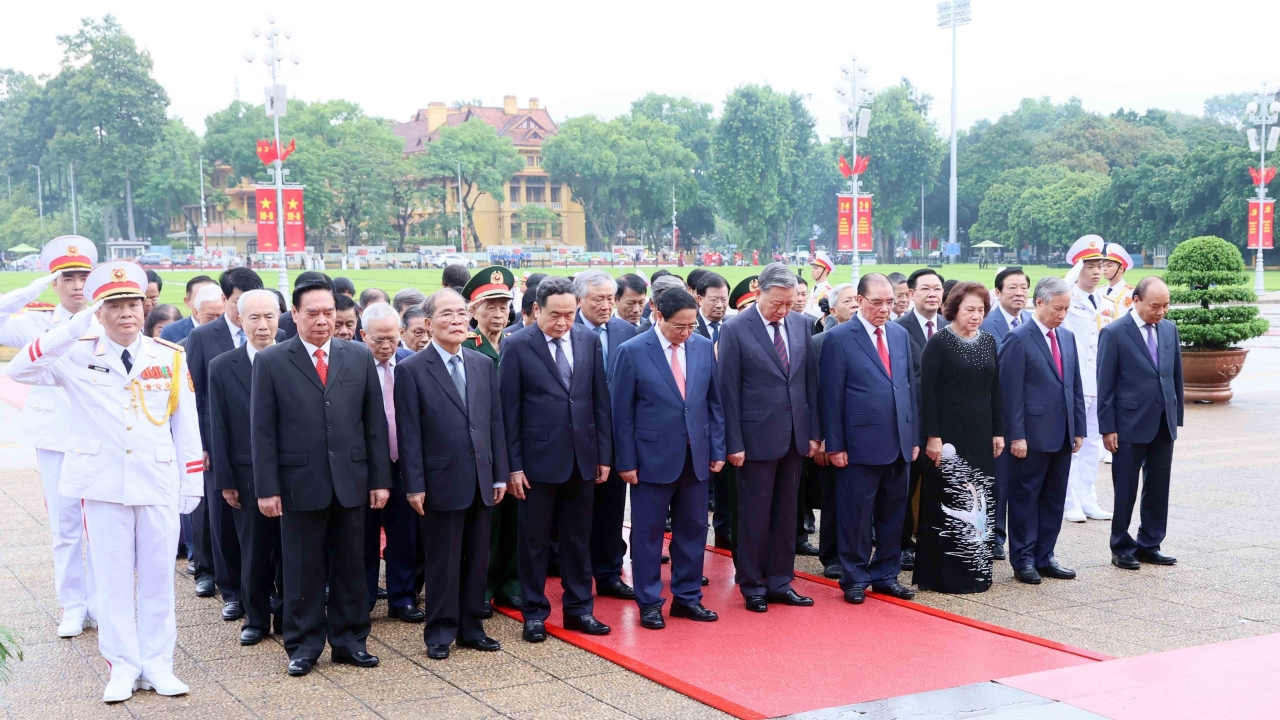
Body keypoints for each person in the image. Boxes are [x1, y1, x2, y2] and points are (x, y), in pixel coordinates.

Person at [9, 261, 204, 703]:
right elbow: (20, 371)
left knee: (158, 579)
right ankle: (122, 666)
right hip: (102, 485)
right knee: (113, 580)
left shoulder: (169, 356)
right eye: (113, 305)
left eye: (132, 303)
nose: (126, 313)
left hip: (155, 479)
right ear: (99, 311)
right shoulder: (77, 353)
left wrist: (190, 481)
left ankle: (158, 664)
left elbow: (186, 424)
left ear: (144, 306)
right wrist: (68, 329)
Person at [250, 276, 393, 676]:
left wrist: (380, 479)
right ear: (293, 314)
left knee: (352, 566)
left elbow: (373, 424)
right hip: (299, 483)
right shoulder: (273, 361)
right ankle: (303, 645)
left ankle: (350, 641)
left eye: (328, 312)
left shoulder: (358, 356)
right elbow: (262, 430)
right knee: (302, 569)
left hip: (351, 480)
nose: (322, 320)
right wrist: (268, 488)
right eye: (312, 312)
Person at [396, 289, 508, 658]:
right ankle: (440, 632)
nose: (458, 320)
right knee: (443, 560)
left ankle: (472, 628)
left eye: (462, 313)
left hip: (480, 477)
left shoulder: (481, 364)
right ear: (428, 324)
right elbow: (409, 432)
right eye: (448, 314)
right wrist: (414, 484)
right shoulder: (412, 369)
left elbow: (495, 424)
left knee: (478, 558)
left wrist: (499, 474)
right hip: (439, 479)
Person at [500, 276, 613, 642]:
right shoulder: (517, 345)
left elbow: (599, 403)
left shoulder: (588, 340)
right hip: (537, 462)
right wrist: (513, 466)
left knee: (578, 539)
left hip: (582, 458)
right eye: (555, 315)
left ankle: (580, 609)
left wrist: (603, 455)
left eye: (569, 314)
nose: (563, 323)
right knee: (533, 541)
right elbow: (509, 411)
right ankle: (534, 612)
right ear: (536, 310)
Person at [0, 236, 100, 638]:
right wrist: (27, 291)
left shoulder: (107, 318)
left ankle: (100, 602)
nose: (77, 285)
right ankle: (73, 606)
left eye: (83, 277)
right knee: (66, 527)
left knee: (104, 527)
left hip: (100, 438)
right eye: (67, 278)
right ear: (54, 283)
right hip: (56, 436)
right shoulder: (37, 322)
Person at [612, 288, 725, 629]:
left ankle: (688, 597)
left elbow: (713, 403)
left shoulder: (703, 347)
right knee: (647, 535)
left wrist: (717, 448)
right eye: (680, 326)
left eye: (692, 325)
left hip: (696, 456)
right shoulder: (632, 351)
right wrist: (626, 461)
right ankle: (649, 600)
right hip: (651, 459)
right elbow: (622, 413)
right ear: (658, 315)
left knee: (693, 530)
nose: (687, 332)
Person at [717, 263, 819, 613]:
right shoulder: (735, 329)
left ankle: (780, 580)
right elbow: (727, 391)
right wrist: (734, 442)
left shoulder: (801, 324)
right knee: (753, 515)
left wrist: (813, 433)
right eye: (778, 302)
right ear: (758, 290)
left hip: (794, 436)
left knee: (786, 514)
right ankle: (752, 584)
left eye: (790, 303)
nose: (784, 310)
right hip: (753, 437)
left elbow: (809, 383)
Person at [820, 273, 919, 604]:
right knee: (856, 516)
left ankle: (886, 574)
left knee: (894, 513)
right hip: (859, 443)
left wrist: (913, 435)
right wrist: (835, 445)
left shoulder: (899, 334)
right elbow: (831, 397)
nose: (884, 309)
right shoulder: (839, 338)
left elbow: (907, 388)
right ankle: (855, 576)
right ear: (860, 301)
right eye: (877, 302)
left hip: (899, 441)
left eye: (890, 302)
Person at [186, 267, 267, 620]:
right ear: (225, 299)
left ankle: (268, 592)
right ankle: (231, 590)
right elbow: (195, 396)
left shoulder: (275, 334)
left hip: (265, 449)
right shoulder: (204, 337)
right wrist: (200, 445)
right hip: (218, 441)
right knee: (224, 521)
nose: (243, 310)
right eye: (236, 303)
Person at [914, 282, 1005, 594]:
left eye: (980, 310)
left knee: (980, 500)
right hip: (948, 438)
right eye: (969, 309)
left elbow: (996, 390)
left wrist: (998, 431)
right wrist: (933, 437)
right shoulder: (939, 343)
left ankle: (976, 572)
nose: (976, 315)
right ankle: (944, 576)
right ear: (954, 310)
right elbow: (927, 394)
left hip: (980, 435)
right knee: (949, 501)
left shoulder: (989, 341)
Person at [209, 289, 285, 645]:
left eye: (269, 316)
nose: (263, 325)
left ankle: (288, 613)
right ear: (239, 320)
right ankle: (255, 618)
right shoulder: (223, 366)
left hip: (294, 470)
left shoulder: (294, 356)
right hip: (247, 472)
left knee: (291, 549)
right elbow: (218, 426)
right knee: (253, 549)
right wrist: (225, 480)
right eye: (254, 317)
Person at [999, 277, 1086, 585]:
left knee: (1053, 498)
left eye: (1066, 309)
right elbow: (1011, 393)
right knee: (1025, 498)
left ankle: (1045, 555)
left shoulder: (1066, 337)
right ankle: (1022, 558)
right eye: (1057, 308)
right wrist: (1016, 436)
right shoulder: (1018, 338)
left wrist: (1078, 428)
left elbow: (1074, 385)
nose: (1062, 314)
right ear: (1039, 303)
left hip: (1062, 433)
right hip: (1031, 436)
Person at [1097, 277, 1183, 570]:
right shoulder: (1114, 333)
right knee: (1126, 487)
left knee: (1159, 486)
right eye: (1155, 306)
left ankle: (1150, 543)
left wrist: (1176, 415)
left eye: (1165, 306)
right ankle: (1121, 546)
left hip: (1162, 422)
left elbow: (1174, 377)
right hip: (1128, 424)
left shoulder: (1170, 330)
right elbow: (1105, 385)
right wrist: (1107, 428)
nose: (1161, 312)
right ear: (1135, 301)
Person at [355, 302, 424, 623]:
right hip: (365, 469)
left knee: (404, 536)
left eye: (392, 339)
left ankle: (402, 598)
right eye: (376, 340)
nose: (385, 347)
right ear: (362, 335)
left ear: (401, 333)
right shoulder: (352, 365)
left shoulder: (413, 363)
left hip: (404, 465)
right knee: (364, 538)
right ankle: (364, 598)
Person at [574, 271, 639, 600]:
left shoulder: (626, 331)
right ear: (580, 300)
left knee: (613, 509)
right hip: (576, 437)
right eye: (597, 298)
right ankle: (576, 574)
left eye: (610, 298)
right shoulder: (565, 330)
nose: (605, 305)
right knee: (578, 511)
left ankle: (609, 573)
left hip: (615, 435)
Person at [980, 267, 1034, 561]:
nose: (1019, 293)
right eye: (1012, 288)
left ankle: (1020, 538)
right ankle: (994, 535)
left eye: (1024, 287)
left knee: (1022, 482)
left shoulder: (1032, 322)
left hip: (1028, 415)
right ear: (998, 293)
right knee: (998, 481)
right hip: (998, 414)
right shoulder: (987, 326)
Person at [1062, 235, 1116, 524]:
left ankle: (1088, 498)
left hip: (1100, 383)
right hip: (1076, 383)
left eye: (1101, 265)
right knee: (1074, 444)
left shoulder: (1106, 302)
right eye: (1090, 265)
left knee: (1094, 443)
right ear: (1077, 269)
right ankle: (1069, 500)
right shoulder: (1068, 301)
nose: (1097, 271)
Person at [895, 268, 944, 570]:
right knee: (906, 486)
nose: (932, 295)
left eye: (937, 289)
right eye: (925, 289)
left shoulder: (951, 328)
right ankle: (903, 544)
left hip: (946, 422)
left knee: (940, 484)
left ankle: (936, 539)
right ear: (911, 294)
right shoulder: (898, 329)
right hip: (912, 423)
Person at [813, 283, 857, 578]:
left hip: (865, 432)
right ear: (832, 308)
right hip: (835, 432)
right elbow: (818, 394)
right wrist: (824, 437)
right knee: (834, 495)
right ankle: (831, 554)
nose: (855, 304)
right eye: (848, 300)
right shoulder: (820, 342)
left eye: (858, 299)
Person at [464, 266, 514, 360]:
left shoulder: (514, 343)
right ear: (474, 313)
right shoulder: (464, 345)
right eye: (491, 308)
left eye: (503, 308)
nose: (498, 315)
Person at [160, 275, 217, 343]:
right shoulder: (170, 332)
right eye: (200, 298)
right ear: (187, 301)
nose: (207, 302)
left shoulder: (229, 328)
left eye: (212, 297)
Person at [276, 272, 333, 340]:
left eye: (328, 313)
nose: (322, 321)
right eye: (312, 314)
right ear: (294, 312)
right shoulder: (281, 322)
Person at [1101, 243, 1135, 314]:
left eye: (1109, 266)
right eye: (1103, 265)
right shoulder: (1099, 290)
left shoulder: (1130, 293)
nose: (1104, 269)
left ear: (1120, 268)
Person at [802, 250, 834, 320]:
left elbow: (819, 312)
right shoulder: (814, 288)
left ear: (825, 271)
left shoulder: (828, 291)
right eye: (813, 268)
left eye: (816, 268)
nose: (812, 270)